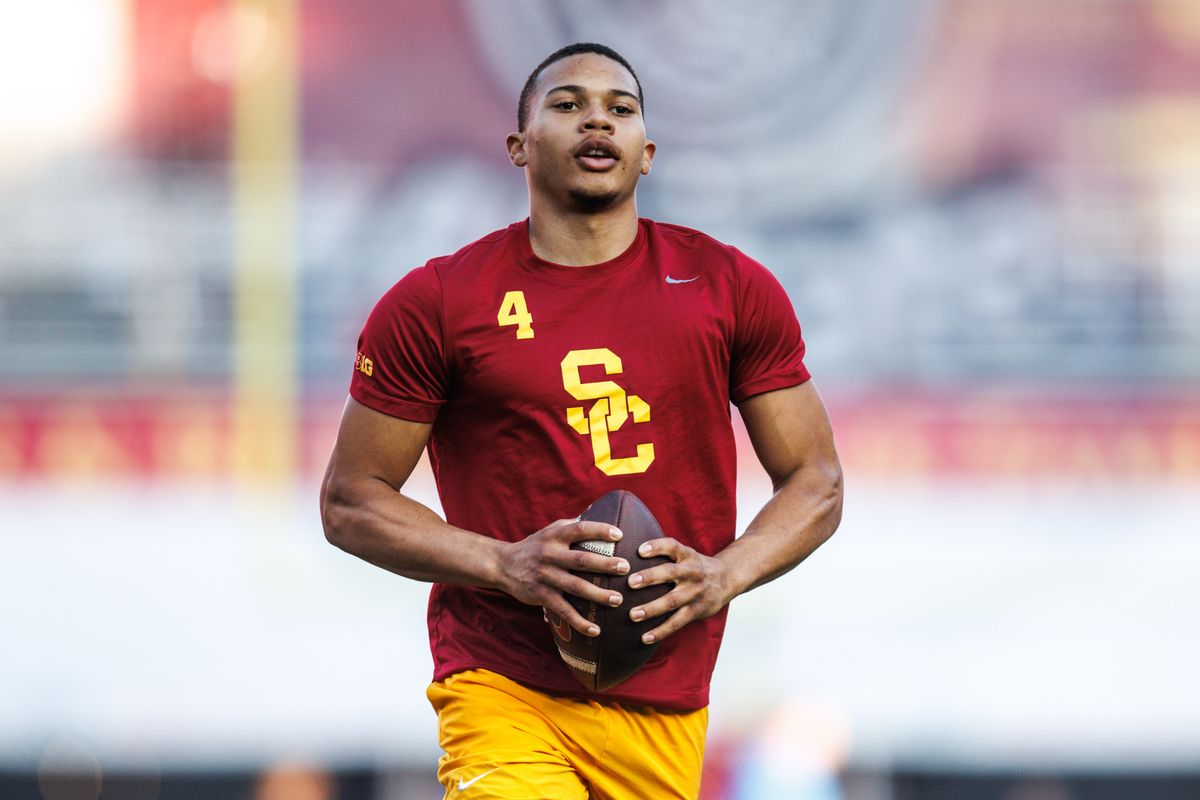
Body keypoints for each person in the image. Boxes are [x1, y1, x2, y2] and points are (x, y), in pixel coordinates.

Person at [320, 42, 843, 800]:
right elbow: (350, 500)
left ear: (647, 152)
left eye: (620, 108)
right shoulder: (438, 301)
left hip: (664, 697)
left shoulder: (727, 286)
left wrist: (722, 575)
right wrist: (507, 564)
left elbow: (817, 481)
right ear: (518, 146)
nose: (597, 119)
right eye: (567, 104)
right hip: (504, 682)